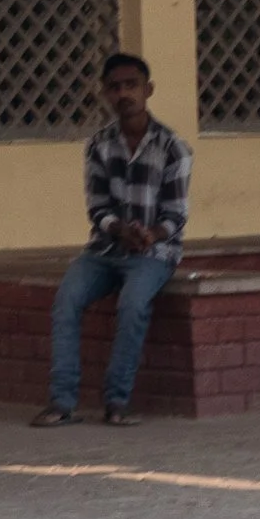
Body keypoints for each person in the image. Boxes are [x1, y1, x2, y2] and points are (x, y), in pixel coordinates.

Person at [32, 53, 191, 428]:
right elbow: (98, 208)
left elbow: (176, 215)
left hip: (155, 252)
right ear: (105, 93)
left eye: (132, 85)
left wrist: (150, 235)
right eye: (116, 87)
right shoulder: (99, 145)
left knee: (133, 305)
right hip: (105, 249)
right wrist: (119, 230)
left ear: (148, 90)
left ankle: (117, 402)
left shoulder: (173, 148)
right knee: (66, 300)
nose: (124, 94)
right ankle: (62, 402)